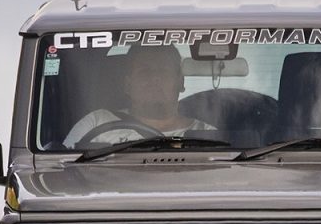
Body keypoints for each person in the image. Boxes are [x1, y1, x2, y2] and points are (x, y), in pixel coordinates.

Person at [65, 45, 213, 147]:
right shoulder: (96, 122)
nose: (155, 79)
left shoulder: (207, 134)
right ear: (128, 85)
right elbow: (64, 168)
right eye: (145, 71)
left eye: (163, 71)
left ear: (180, 83)